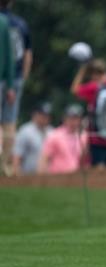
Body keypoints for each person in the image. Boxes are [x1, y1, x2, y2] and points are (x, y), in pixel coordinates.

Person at [71, 58, 106, 169]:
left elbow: (75, 90)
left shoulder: (94, 87)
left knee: (98, 170)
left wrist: (82, 71)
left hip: (96, 138)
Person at [0, 0, 30, 177]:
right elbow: (27, 55)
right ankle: (5, 166)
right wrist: (21, 80)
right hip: (15, 78)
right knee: (10, 123)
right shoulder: (20, 24)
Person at [37, 104, 87, 175]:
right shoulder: (54, 135)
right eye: (71, 118)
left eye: (76, 118)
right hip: (57, 177)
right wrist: (41, 177)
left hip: (76, 177)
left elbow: (83, 159)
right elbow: (44, 158)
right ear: (65, 118)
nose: (73, 121)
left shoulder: (83, 136)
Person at [12, 101, 52, 176]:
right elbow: (17, 154)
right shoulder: (25, 131)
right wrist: (16, 172)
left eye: (47, 115)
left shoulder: (52, 132)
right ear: (35, 114)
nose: (45, 118)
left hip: (48, 177)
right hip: (28, 176)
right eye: (42, 115)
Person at [0, 12, 15, 176]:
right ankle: (3, 166)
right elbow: (9, 57)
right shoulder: (4, 22)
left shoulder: (3, 22)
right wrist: (10, 85)